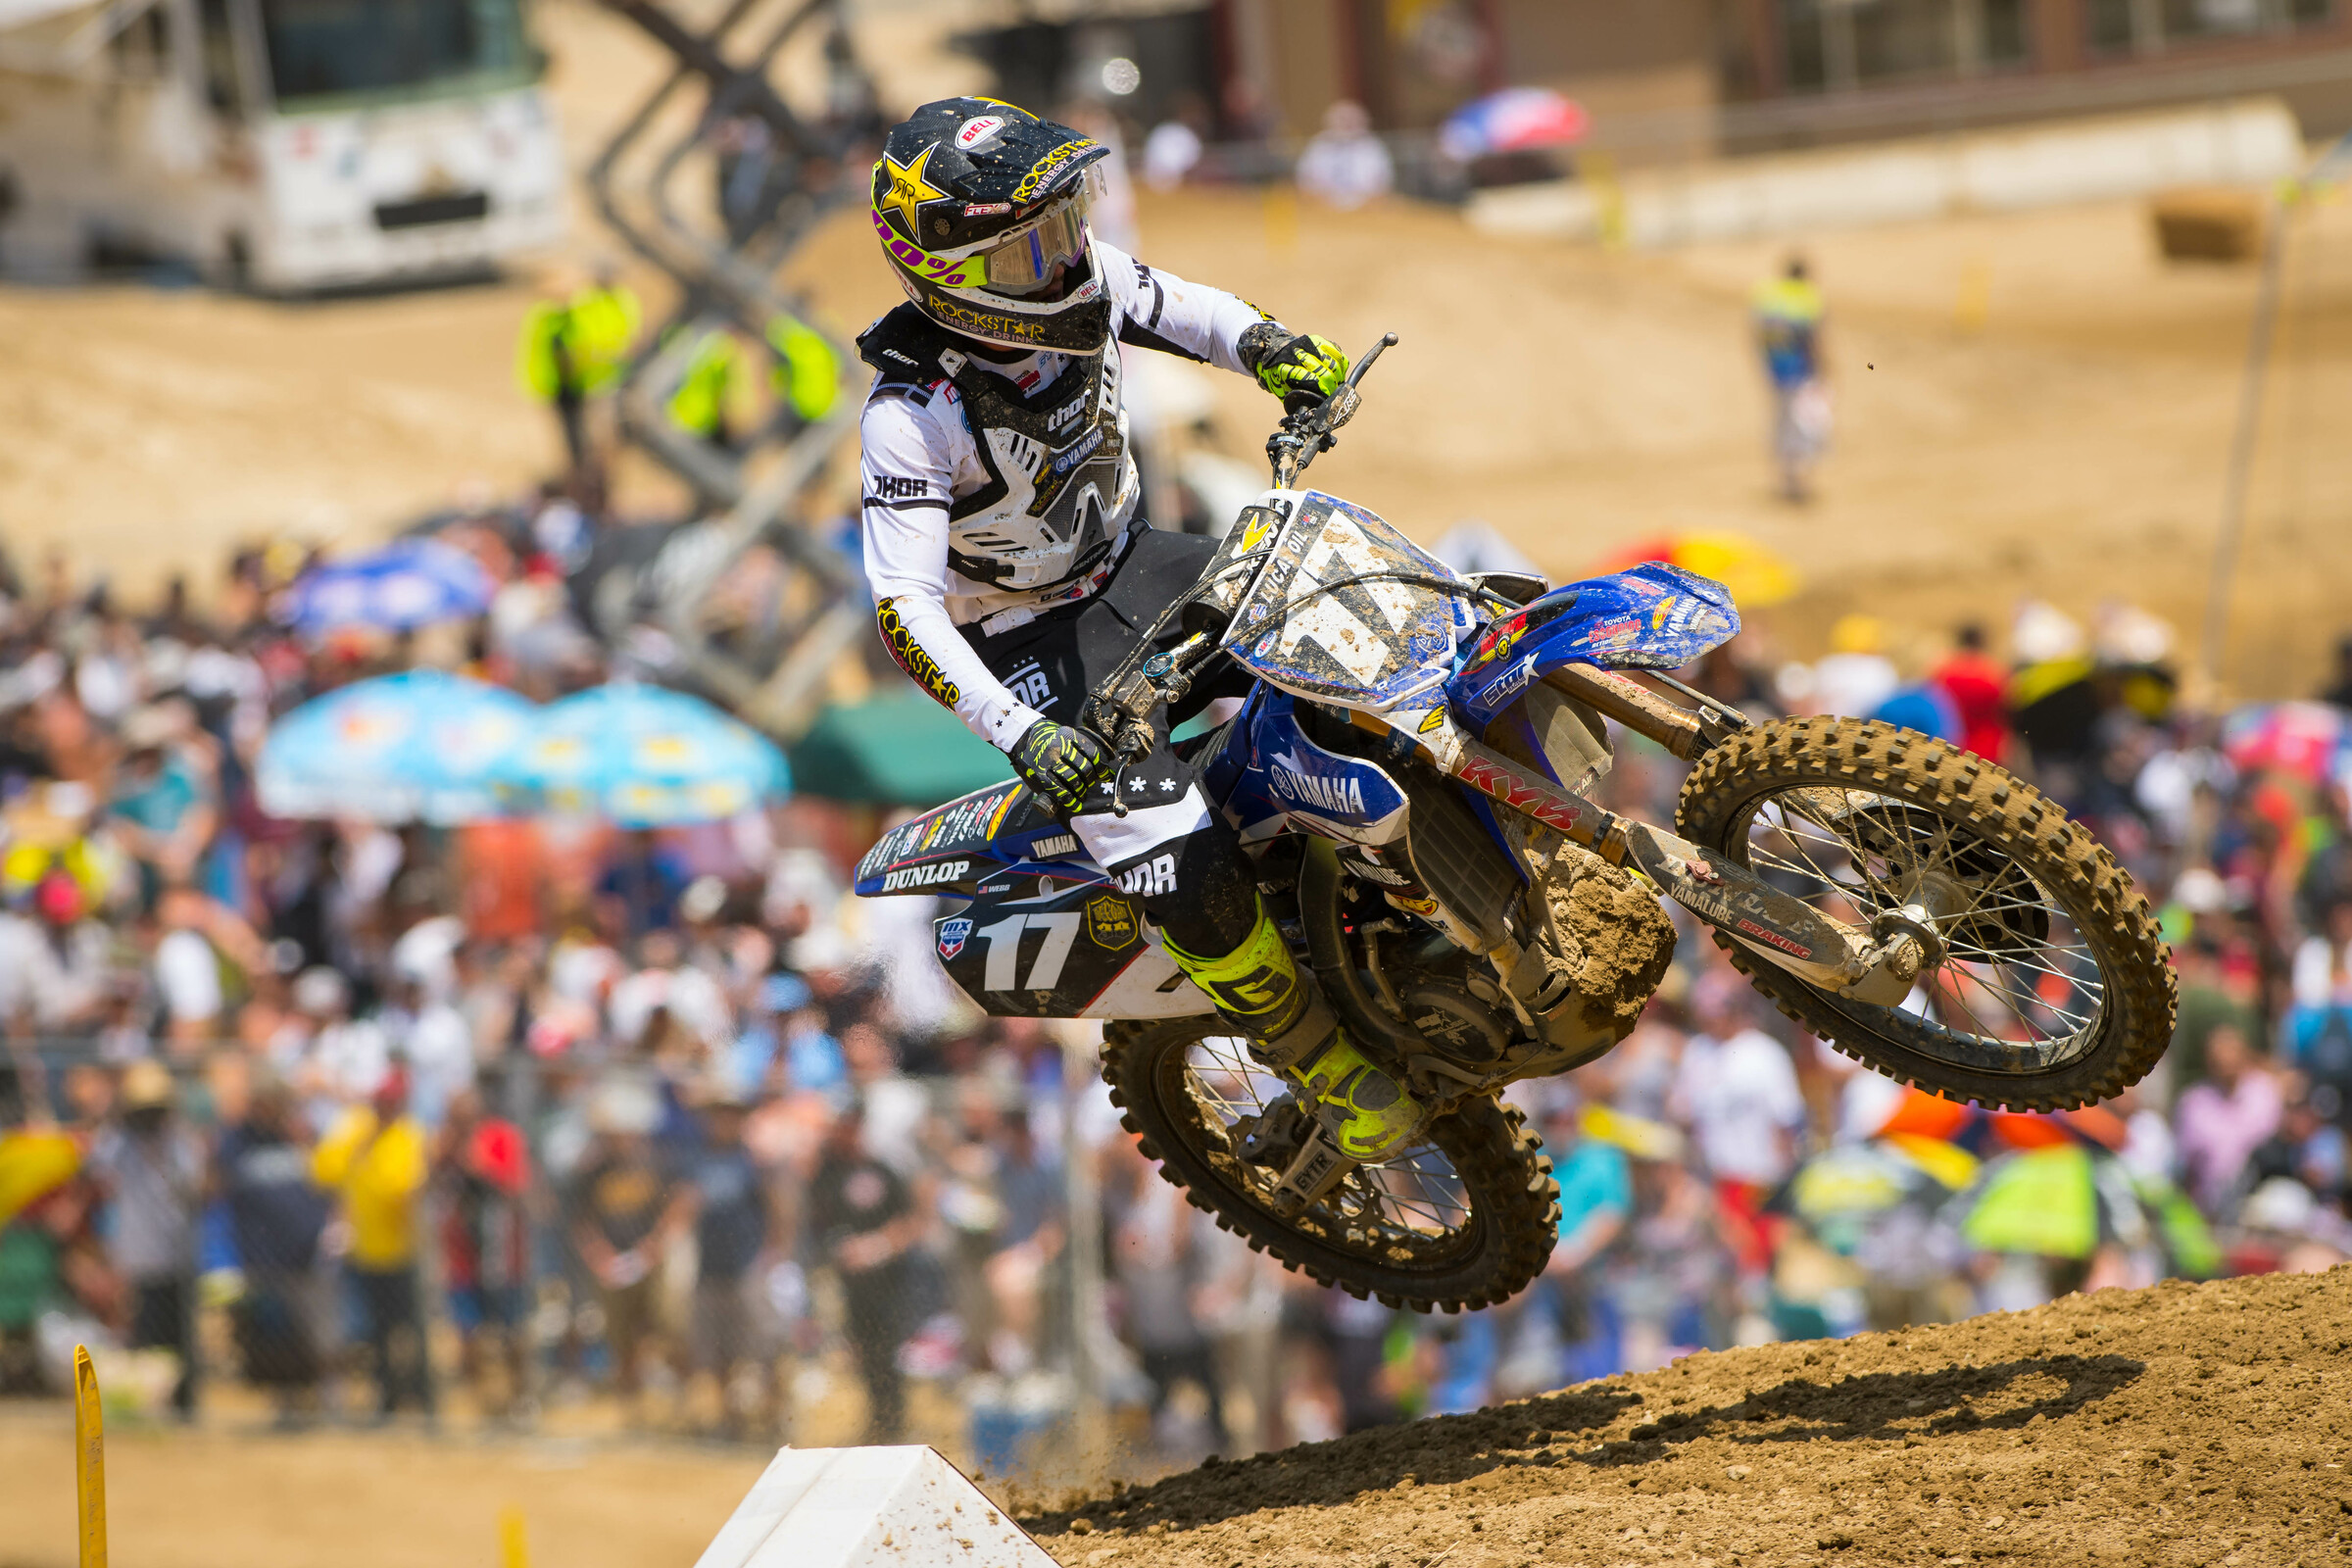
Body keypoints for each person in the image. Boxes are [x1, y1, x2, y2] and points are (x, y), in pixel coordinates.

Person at [856, 96, 1419, 1165]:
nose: (1068, 254)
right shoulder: (909, 414)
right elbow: (904, 606)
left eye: (1068, 220)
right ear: (953, 270)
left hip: (1138, 562)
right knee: (1163, 839)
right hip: (1028, 647)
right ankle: (1321, 1059)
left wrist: (1271, 345)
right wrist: (1021, 731)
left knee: (1342, 616)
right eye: (1033, 242)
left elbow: (1180, 305)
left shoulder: (1080, 282)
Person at [313, 1066, 436, 1420]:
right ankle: (387, 1401)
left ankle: (424, 1402)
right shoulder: (355, 1129)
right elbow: (323, 1170)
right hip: (366, 1251)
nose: (385, 1108)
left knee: (412, 1331)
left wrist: (368, 1169)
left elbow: (401, 1188)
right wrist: (359, 1149)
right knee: (377, 1334)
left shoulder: (409, 1135)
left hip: (403, 1251)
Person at [87, 1060, 204, 1417]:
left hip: (178, 1251)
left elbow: (194, 1181)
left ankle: (185, 1405)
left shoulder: (178, 1141)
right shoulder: (120, 1142)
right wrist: (115, 1118)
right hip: (138, 1254)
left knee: (181, 1336)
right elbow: (95, 1164)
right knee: (147, 1334)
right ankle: (150, 1405)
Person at [806, 1099, 918, 1442]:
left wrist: (876, 1248)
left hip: (888, 1281)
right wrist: (839, 1249)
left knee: (888, 1350)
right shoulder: (827, 1174)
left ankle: (895, 1421)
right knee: (863, 1351)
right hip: (851, 1283)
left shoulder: (883, 1170)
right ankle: (877, 1419)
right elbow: (818, 1223)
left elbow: (909, 1221)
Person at [1751, 255, 1829, 503]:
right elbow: (1816, 340)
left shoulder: (1769, 298)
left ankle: (1785, 481)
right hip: (1803, 372)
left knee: (1782, 425)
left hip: (1776, 372)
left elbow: (1756, 335)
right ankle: (1800, 484)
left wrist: (1764, 364)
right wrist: (1827, 369)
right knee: (1806, 426)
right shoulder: (1808, 299)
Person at [1295, 101, 1393, 210]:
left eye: (1352, 120)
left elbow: (1382, 182)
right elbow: (1306, 179)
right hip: (1322, 207)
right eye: (1343, 119)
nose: (1347, 124)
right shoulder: (1318, 146)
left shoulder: (1373, 148)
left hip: (1365, 208)